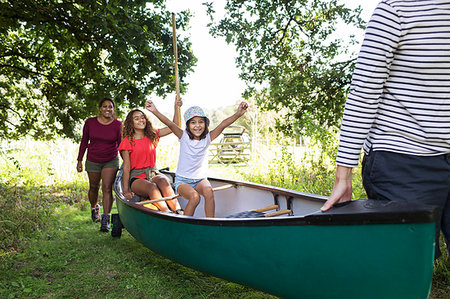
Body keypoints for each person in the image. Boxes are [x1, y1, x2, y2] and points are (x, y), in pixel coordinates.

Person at [321, 0, 450, 259]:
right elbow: (363, 93)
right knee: (406, 265)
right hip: (403, 160)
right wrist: (343, 175)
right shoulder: (396, 10)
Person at [146, 100, 248, 217]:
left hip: (200, 180)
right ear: (188, 125)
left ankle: (210, 224)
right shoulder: (183, 136)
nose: (197, 125)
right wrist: (155, 111)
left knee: (209, 192)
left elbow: (223, 124)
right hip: (183, 181)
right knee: (195, 197)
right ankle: (186, 226)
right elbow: (169, 123)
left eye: (201, 122)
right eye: (193, 122)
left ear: (205, 124)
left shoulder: (208, 138)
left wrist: (238, 113)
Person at [118, 97, 183, 214]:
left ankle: (178, 211)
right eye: (136, 118)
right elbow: (126, 167)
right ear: (130, 123)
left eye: (142, 117)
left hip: (153, 173)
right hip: (137, 178)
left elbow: (175, 126)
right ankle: (167, 213)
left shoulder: (152, 136)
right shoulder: (127, 141)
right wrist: (126, 190)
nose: (141, 120)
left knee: (163, 180)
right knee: (151, 187)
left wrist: (176, 107)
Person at [77, 97, 122, 232]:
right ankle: (94, 208)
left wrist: (127, 161)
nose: (107, 109)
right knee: (93, 186)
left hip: (110, 160)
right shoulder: (90, 122)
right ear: (100, 108)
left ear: (113, 110)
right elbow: (84, 141)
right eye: (105, 106)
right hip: (93, 159)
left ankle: (105, 219)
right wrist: (79, 160)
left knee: (107, 188)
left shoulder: (118, 125)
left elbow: (120, 145)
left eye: (110, 107)